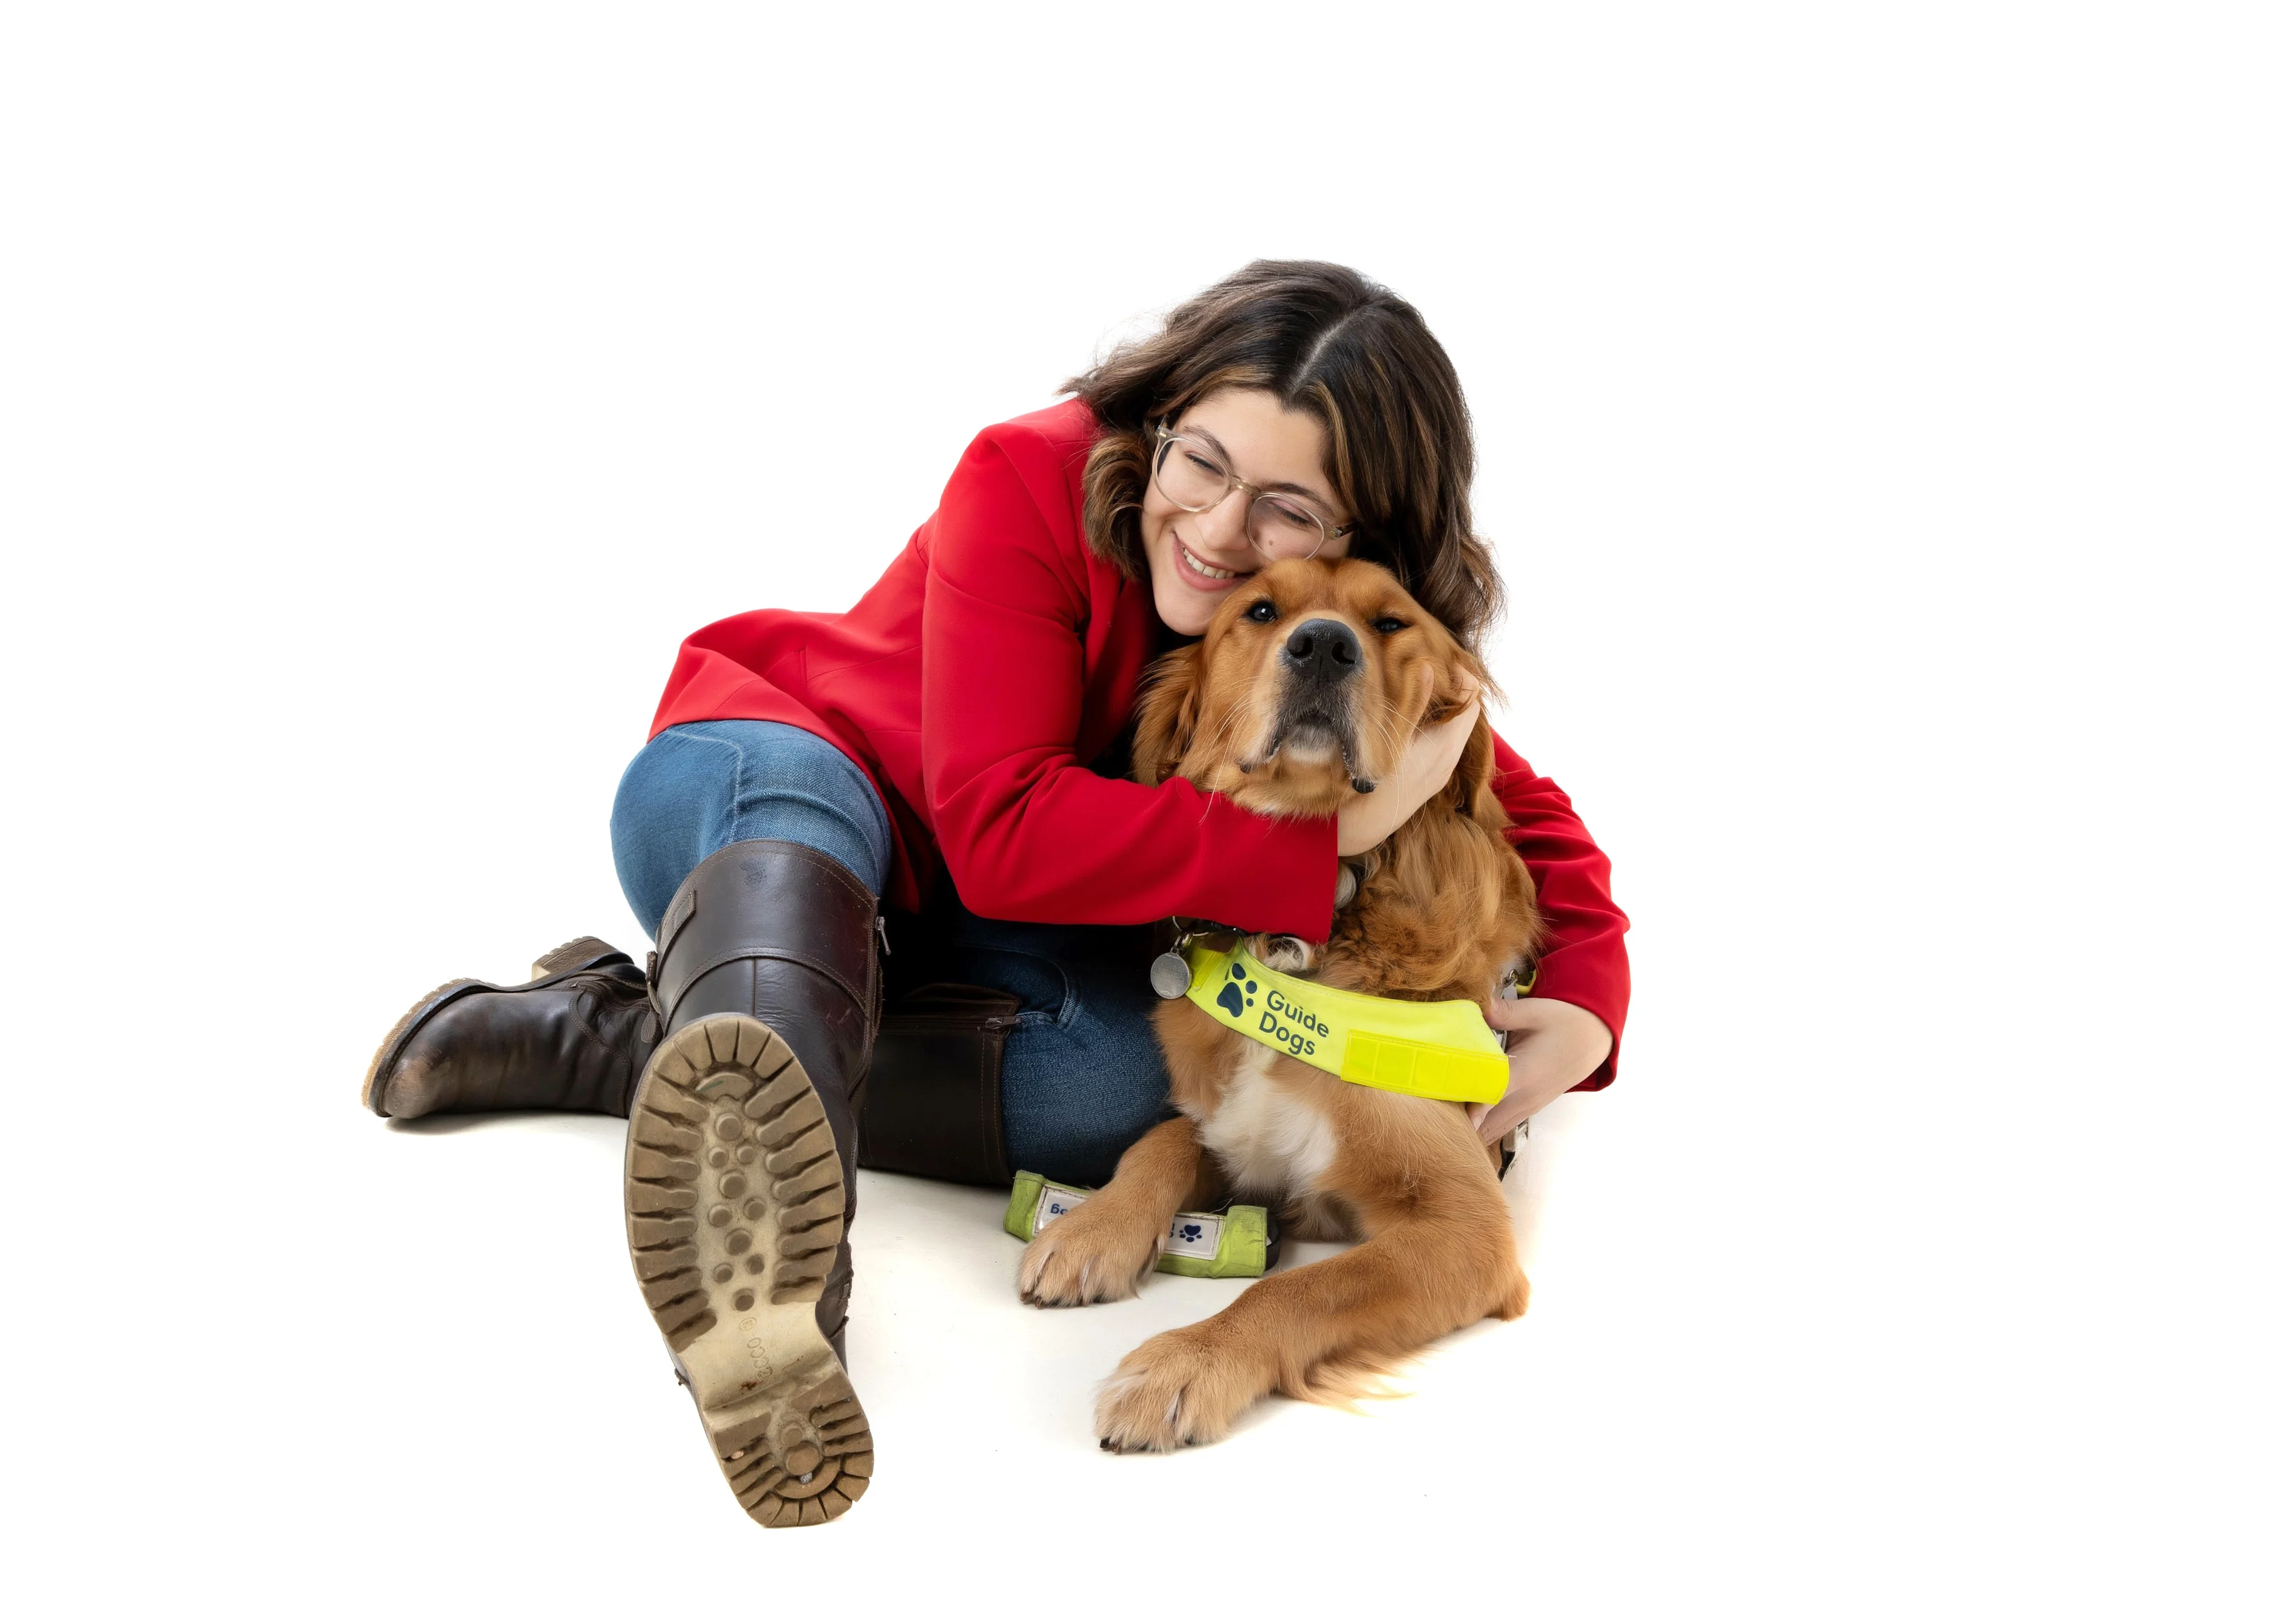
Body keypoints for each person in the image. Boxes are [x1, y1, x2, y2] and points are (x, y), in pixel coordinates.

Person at [362, 260, 1630, 1525]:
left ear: (1359, 530)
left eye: (1287, 505)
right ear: (1166, 417)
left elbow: (1502, 796)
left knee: (1125, 1082)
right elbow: (1001, 830)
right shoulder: (1032, 478)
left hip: (978, 937)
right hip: (790, 785)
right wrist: (1327, 842)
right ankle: (781, 1307)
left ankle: (631, 1038)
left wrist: (1585, 1000)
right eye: (1202, 459)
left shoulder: (1312, 632)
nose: (1219, 524)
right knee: (805, 819)